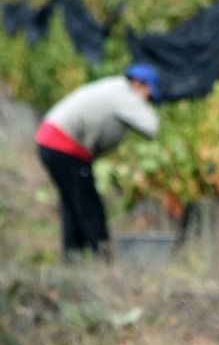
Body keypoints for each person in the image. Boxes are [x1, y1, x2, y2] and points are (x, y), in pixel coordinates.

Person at [35, 63, 161, 262]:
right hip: (63, 147)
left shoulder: (114, 88)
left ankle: (73, 258)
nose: (148, 102)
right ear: (138, 84)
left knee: (73, 203)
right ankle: (102, 259)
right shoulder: (124, 94)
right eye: (149, 96)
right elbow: (152, 126)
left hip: (51, 143)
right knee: (89, 205)